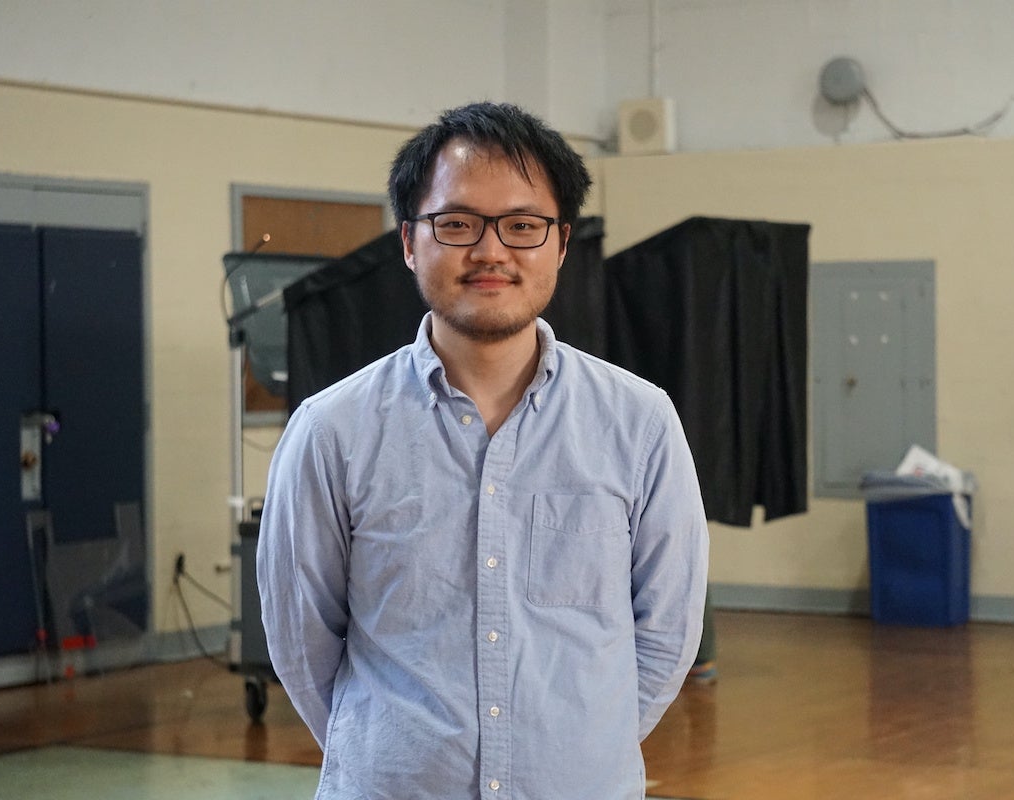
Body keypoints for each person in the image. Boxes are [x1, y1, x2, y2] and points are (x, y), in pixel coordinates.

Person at [257, 101, 709, 799]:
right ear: (409, 241)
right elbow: (300, 642)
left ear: (561, 244)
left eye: (523, 226)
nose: (492, 252)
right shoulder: (332, 430)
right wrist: (399, 754)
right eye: (458, 224)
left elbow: (667, 633)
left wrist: (575, 752)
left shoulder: (639, 422)